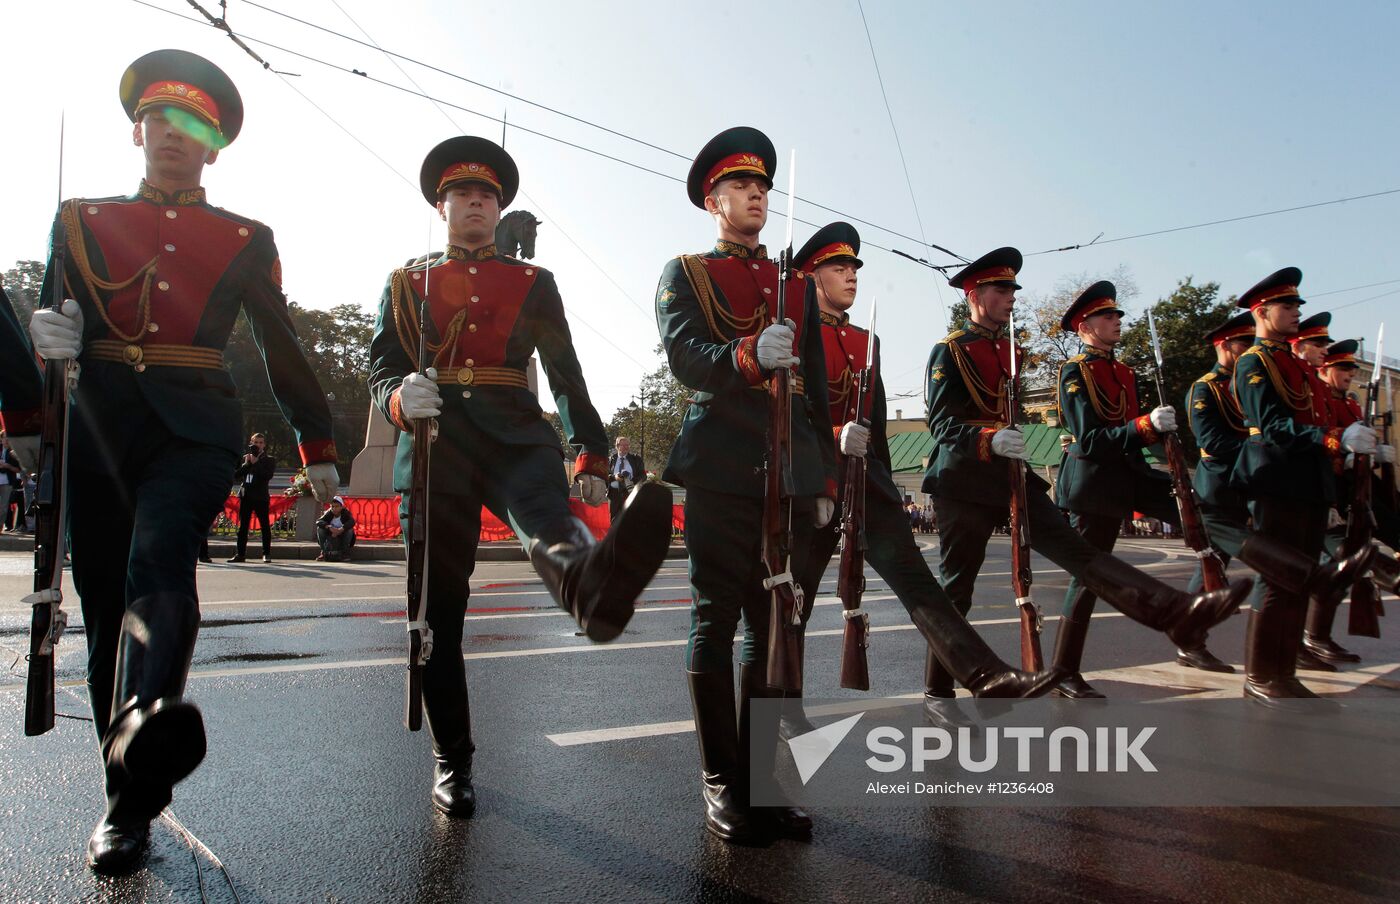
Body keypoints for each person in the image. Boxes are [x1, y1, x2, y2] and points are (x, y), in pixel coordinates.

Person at [28, 50, 339, 873]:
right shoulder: (79, 219)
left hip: (196, 428)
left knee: (160, 554)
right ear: (139, 131)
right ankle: (124, 798)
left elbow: (281, 344)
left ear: (214, 148)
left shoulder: (242, 237)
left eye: (193, 127)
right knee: (103, 609)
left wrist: (319, 444)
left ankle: (151, 718)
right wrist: (45, 337)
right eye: (161, 119)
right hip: (97, 426)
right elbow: (55, 313)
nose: (174, 135)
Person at [369, 135, 672, 821]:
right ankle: (454, 760)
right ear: (441, 206)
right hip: (437, 439)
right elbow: (380, 362)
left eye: (486, 195)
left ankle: (588, 583)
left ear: (498, 208)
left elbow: (566, 373)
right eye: (461, 195)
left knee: (546, 521)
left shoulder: (534, 283)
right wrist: (396, 396)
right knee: (436, 611)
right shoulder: (404, 282)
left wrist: (591, 453)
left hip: (514, 432)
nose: (474, 203)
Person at [921, 247, 1251, 711]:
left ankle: (1171, 608)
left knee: (1079, 554)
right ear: (975, 295)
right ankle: (939, 691)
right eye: (1001, 289)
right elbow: (940, 424)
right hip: (963, 481)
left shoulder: (1012, 351)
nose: (1011, 296)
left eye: (1013, 289)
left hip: (1013, 476)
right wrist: (988, 439)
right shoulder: (951, 350)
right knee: (958, 588)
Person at [789, 221, 1059, 736]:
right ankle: (784, 707)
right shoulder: (796, 334)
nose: (851, 277)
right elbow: (784, 412)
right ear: (809, 277)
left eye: (853, 269)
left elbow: (879, 417)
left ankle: (985, 675)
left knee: (920, 585)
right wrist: (827, 439)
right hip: (812, 482)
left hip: (867, 480)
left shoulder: (867, 340)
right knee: (795, 599)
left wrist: (885, 483)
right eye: (838, 268)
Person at [655, 127, 835, 845]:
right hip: (721, 467)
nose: (757, 194)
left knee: (773, 633)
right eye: (741, 186)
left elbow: (817, 388)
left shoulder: (797, 286)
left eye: (763, 186)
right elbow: (685, 357)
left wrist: (819, 475)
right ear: (713, 200)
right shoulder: (686, 271)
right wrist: (748, 354)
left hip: (786, 472)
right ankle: (721, 782)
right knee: (715, 622)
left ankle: (767, 783)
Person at [1050, 281, 1227, 696]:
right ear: (1084, 325)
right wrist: (1146, 425)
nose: (1116, 321)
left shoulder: (1124, 371)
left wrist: (1157, 434)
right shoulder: (1075, 372)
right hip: (1094, 482)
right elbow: (1091, 440)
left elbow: (1130, 434)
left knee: (1209, 525)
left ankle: (1190, 633)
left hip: (1132, 473)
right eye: (1106, 316)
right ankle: (1064, 670)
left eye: (1116, 315)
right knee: (1090, 576)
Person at [1228, 269, 1377, 706]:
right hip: (1276, 477)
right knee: (1276, 578)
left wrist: (1345, 447)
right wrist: (1334, 438)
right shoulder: (1255, 362)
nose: (1295, 313)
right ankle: (1259, 673)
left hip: (1309, 480)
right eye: (1288, 306)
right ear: (1262, 312)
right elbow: (1272, 426)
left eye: (1296, 306)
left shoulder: (1296, 364)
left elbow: (1314, 420)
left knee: (1298, 579)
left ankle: (1285, 670)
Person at [1310, 339, 1400, 659]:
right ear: (1326, 369)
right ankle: (1312, 638)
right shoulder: (1316, 398)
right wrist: (1345, 460)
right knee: (1335, 566)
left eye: (1352, 367)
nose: (1350, 372)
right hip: (1329, 490)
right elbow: (1315, 442)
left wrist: (1375, 456)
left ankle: (1314, 637)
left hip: (1354, 486)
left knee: (1340, 566)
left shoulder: (1350, 404)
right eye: (1344, 367)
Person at [1181, 310, 1257, 671]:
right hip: (1219, 488)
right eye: (1244, 343)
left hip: (1248, 487)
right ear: (1225, 345)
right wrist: (1260, 448)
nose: (1249, 349)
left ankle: (1189, 638)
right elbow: (1211, 439)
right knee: (1214, 567)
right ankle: (1190, 639)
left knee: (1212, 569)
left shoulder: (1248, 384)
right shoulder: (1205, 388)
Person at [227, 432, 275, 563]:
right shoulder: (246, 458)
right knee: (243, 527)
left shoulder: (269, 459)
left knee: (265, 526)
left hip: (261, 497)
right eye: (255, 443)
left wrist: (257, 463)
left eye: (260, 443)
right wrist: (247, 464)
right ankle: (240, 554)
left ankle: (266, 553)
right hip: (246, 496)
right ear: (251, 443)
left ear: (264, 445)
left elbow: (267, 476)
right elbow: (236, 475)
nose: (258, 445)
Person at [606, 436, 645, 522]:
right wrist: (614, 477)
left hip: (631, 493)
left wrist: (630, 480)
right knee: (614, 521)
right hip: (614, 495)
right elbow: (604, 475)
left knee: (630, 520)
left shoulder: (636, 459)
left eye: (627, 445)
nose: (626, 447)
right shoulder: (610, 460)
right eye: (623, 445)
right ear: (617, 446)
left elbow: (643, 476)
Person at [315, 495, 356, 561]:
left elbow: (352, 522)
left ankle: (345, 553)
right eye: (332, 506)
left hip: (342, 534)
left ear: (342, 506)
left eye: (336, 506)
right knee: (320, 530)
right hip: (331, 534)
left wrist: (341, 529)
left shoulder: (346, 513)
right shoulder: (329, 513)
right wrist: (330, 528)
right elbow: (319, 521)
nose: (334, 509)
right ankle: (323, 552)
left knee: (350, 530)